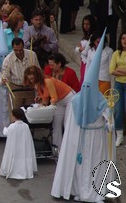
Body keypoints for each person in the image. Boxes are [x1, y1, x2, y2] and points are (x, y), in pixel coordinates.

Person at [51, 31, 115, 202]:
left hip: (97, 140)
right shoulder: (77, 101)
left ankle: (96, 192)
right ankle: (79, 190)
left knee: (95, 166)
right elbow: (71, 122)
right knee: (80, 167)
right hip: (81, 139)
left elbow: (109, 119)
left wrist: (110, 124)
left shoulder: (101, 101)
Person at [23, 65, 75, 150]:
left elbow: (54, 98)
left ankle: (70, 149)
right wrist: (41, 101)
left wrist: (45, 108)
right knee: (56, 124)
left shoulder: (47, 81)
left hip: (69, 98)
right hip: (60, 101)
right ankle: (57, 149)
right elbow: (45, 99)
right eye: (30, 79)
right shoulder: (38, 84)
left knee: (67, 124)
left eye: (32, 78)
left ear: (37, 76)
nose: (31, 81)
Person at [0, 108, 37, 179]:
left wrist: (4, 128)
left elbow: (6, 133)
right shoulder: (26, 126)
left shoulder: (12, 126)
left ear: (14, 116)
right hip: (23, 146)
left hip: (14, 146)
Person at [1, 38, 39, 109]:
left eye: (20, 50)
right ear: (12, 48)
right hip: (16, 90)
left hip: (30, 88)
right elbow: (5, 75)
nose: (18, 52)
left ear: (23, 47)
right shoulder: (8, 59)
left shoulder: (32, 55)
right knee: (17, 112)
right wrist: (4, 79)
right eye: (16, 50)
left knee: (30, 111)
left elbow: (38, 71)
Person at [109, 32, 126, 147]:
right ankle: (119, 135)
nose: (125, 40)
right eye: (123, 38)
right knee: (118, 110)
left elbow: (115, 70)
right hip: (119, 84)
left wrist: (119, 70)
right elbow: (111, 70)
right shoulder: (116, 53)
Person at [75, 15, 96, 84]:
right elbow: (76, 49)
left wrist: (79, 49)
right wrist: (80, 48)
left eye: (88, 24)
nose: (85, 26)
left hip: (88, 62)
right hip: (83, 61)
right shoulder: (86, 35)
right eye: (84, 24)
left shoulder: (92, 36)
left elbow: (85, 52)